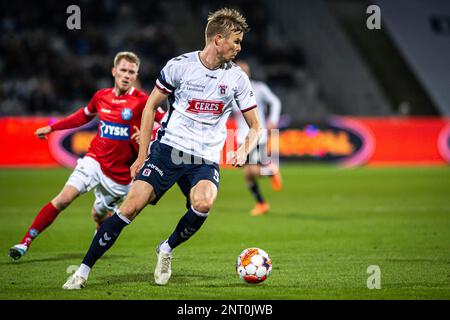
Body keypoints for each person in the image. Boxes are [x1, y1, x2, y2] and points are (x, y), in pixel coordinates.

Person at [62, 7, 262, 289]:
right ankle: (82, 272)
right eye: (236, 41)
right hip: (168, 149)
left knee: (203, 203)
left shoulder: (238, 79)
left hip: (203, 157)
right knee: (130, 208)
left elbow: (256, 126)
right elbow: (150, 107)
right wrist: (142, 155)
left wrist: (244, 149)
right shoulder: (179, 66)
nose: (239, 48)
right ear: (218, 39)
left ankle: (166, 249)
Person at [8, 51, 166, 261]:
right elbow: (82, 116)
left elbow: (166, 122)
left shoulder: (143, 101)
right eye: (123, 70)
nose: (127, 75)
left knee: (98, 214)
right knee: (64, 198)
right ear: (114, 71)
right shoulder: (101, 96)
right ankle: (24, 242)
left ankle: (100, 221)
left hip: (121, 176)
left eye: (131, 72)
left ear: (136, 75)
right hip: (95, 161)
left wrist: (150, 135)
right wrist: (53, 128)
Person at [233, 59, 283, 216]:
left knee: (253, 171)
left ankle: (271, 170)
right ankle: (261, 204)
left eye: (243, 71)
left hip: (256, 136)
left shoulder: (258, 88)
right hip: (242, 137)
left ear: (248, 73)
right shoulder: (231, 91)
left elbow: (275, 101)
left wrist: (273, 120)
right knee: (247, 174)